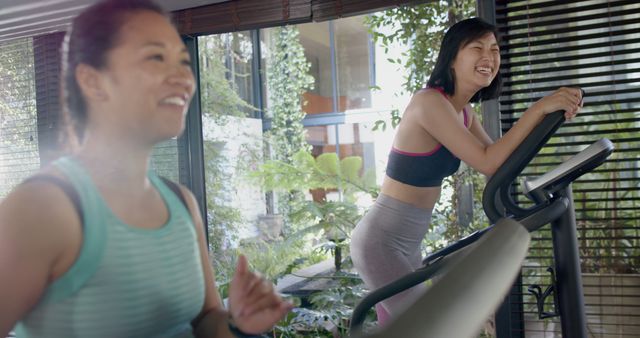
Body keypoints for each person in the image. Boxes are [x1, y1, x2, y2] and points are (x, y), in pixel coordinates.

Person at [0, 0, 291, 337]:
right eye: (156, 57)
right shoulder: (43, 208)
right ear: (93, 81)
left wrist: (236, 322)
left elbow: (206, 320)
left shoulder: (181, 201)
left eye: (184, 61)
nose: (184, 77)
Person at [349, 17, 582, 325]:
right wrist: (538, 108)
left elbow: (502, 163)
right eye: (477, 48)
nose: (489, 57)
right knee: (434, 326)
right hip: (382, 242)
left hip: (409, 244)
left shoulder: (463, 113)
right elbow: (488, 160)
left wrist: (548, 118)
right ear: (452, 58)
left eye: (495, 49)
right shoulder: (429, 103)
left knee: (405, 330)